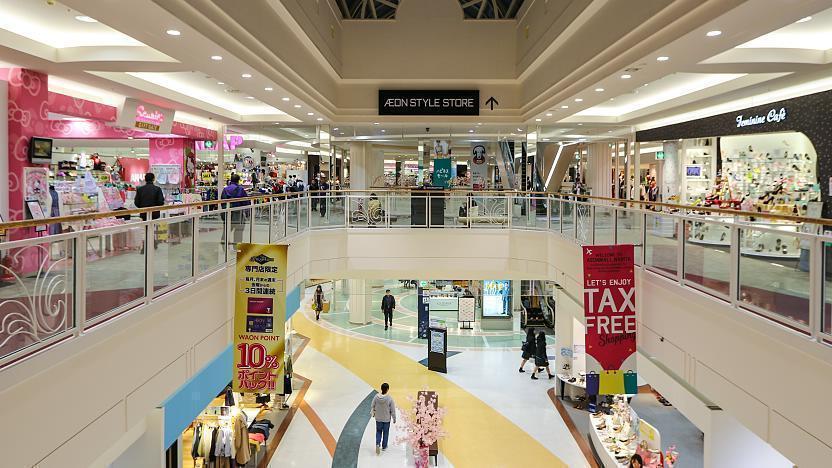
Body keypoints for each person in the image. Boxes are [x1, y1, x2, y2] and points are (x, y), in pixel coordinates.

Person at [221, 173, 249, 245]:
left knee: (227, 229)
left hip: (227, 213)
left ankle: (224, 245)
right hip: (238, 213)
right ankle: (236, 247)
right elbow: (246, 202)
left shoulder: (225, 189)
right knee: (238, 231)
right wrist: (247, 213)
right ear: (238, 181)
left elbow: (222, 202)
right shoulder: (240, 189)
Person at [371, 382, 396, 454]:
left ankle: (377, 444)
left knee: (378, 431)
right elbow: (392, 410)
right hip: (386, 419)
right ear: (387, 389)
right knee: (386, 432)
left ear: (381, 389)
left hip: (378, 418)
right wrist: (394, 418)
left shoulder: (376, 397)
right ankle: (384, 446)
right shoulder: (389, 398)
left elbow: (372, 405)